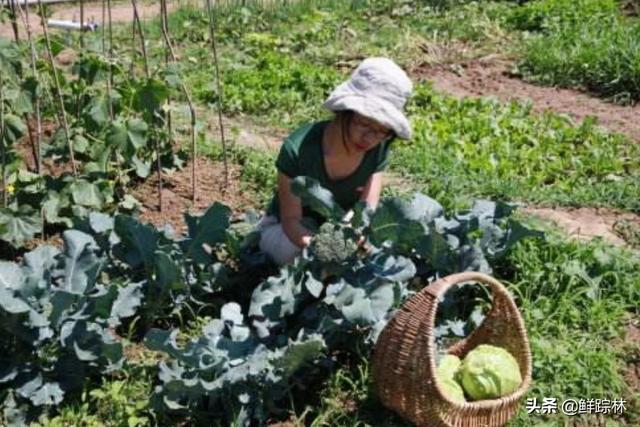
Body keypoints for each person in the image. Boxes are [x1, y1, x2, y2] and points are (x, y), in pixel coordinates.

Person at [258, 57, 413, 265]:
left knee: (381, 255)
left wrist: (351, 237)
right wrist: (320, 247)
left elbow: (366, 208)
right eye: (364, 124)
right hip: (289, 232)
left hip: (341, 232)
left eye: (381, 131)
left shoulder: (378, 148)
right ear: (344, 112)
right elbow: (291, 221)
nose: (369, 138)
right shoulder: (298, 149)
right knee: (290, 254)